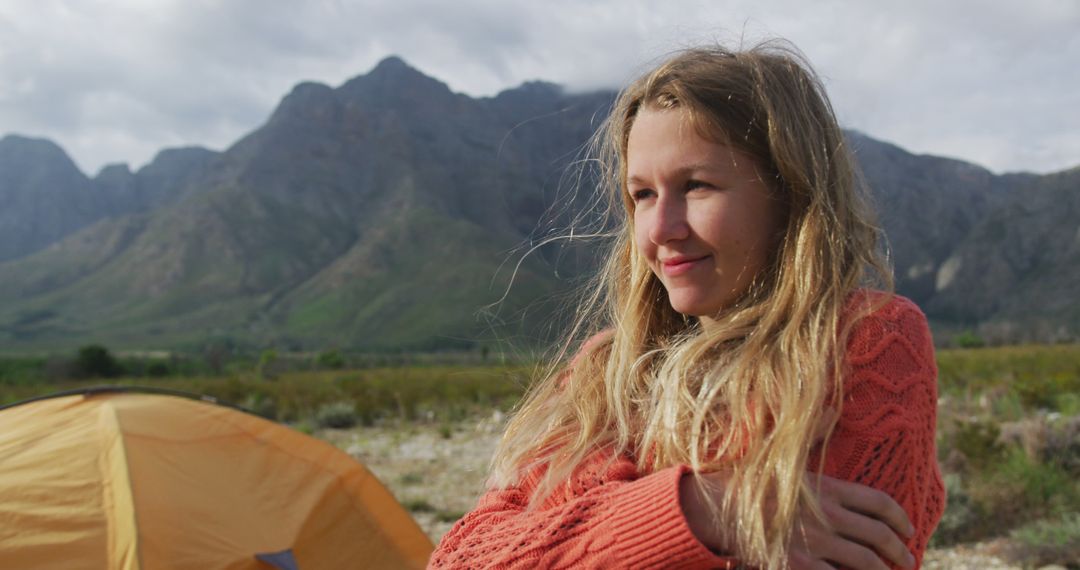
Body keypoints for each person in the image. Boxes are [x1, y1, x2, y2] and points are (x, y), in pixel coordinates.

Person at [428, 41, 944, 569]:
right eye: (642, 195)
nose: (660, 229)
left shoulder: (864, 340)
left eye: (696, 186)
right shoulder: (604, 371)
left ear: (788, 194)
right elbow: (457, 560)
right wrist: (697, 509)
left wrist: (583, 530)